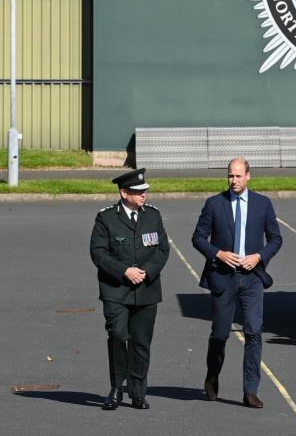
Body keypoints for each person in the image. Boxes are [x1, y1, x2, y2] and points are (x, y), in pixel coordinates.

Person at [192, 158, 282, 409]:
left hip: (252, 278)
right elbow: (198, 238)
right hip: (223, 277)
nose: (234, 181)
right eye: (230, 176)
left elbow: (276, 239)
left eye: (239, 176)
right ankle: (212, 375)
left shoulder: (263, 204)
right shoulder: (214, 204)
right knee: (220, 335)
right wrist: (218, 254)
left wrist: (259, 256)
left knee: (253, 331)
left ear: (248, 176)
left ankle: (250, 390)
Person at [89, 168, 170, 411]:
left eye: (145, 190)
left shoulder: (153, 216)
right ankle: (116, 389)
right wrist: (124, 271)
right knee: (118, 337)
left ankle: (138, 392)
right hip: (116, 290)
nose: (143, 194)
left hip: (146, 289)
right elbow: (98, 253)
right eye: (138, 191)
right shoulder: (106, 218)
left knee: (141, 343)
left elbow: (162, 249)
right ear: (124, 193)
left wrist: (147, 271)